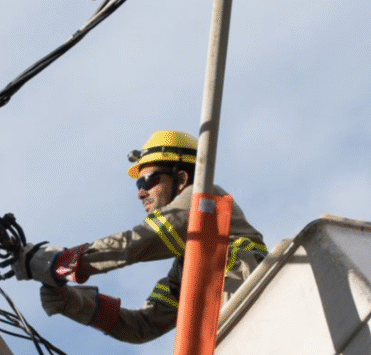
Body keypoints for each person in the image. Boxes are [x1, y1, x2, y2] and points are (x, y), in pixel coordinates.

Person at [14, 130, 267, 343]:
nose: (141, 193)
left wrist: (58, 263)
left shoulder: (204, 199)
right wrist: (72, 302)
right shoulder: (189, 267)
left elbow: (138, 242)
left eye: (148, 181)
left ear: (181, 178)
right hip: (240, 341)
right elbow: (143, 326)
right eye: (138, 186)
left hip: (259, 306)